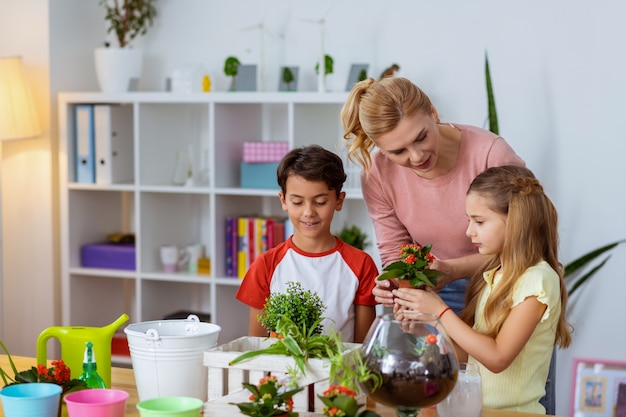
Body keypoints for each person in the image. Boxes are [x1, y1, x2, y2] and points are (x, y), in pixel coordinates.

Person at [393, 165, 573, 413]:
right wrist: (424, 326)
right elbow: (472, 357)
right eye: (469, 221)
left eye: (479, 221)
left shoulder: (537, 280)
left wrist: (440, 311)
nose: (469, 232)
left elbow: (497, 358)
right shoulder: (495, 276)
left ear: (516, 222)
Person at [341, 76, 525, 314]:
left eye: (421, 137)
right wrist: (395, 281)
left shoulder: (490, 154)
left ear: (433, 112)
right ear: (380, 148)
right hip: (436, 289)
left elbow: (529, 241)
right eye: (398, 151)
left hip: (508, 283)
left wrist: (451, 270)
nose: (417, 156)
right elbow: (395, 251)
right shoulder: (378, 173)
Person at [235, 145, 378, 343]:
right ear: (283, 200)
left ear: (339, 200)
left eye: (320, 202)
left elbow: (363, 349)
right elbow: (257, 345)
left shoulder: (361, 265)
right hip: (281, 373)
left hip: (340, 373)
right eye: (297, 202)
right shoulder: (266, 265)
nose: (308, 212)